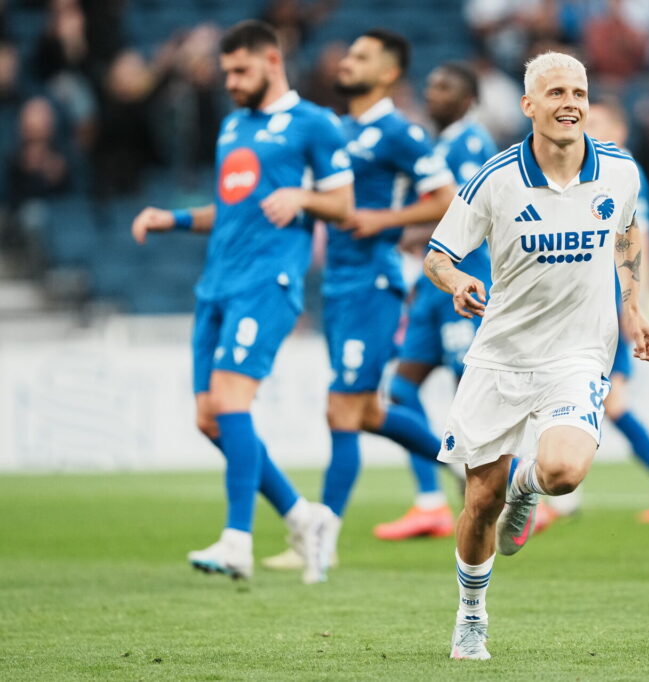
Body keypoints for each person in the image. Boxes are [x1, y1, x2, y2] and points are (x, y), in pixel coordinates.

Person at [424, 52, 649, 660]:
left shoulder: (618, 170)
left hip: (577, 354)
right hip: (500, 356)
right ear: (529, 105)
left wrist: (634, 306)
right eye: (556, 92)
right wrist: (456, 281)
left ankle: (530, 488)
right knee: (478, 505)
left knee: (565, 471)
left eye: (579, 92)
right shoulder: (495, 179)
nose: (570, 102)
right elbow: (438, 253)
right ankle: (471, 614)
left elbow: (626, 232)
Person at [130, 20, 353, 583]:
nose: (229, 80)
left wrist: (303, 195)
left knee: (232, 400)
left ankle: (237, 541)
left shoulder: (315, 125)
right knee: (210, 419)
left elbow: (344, 204)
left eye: (240, 70)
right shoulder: (232, 127)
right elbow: (228, 211)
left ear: (272, 63)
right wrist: (173, 219)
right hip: (216, 286)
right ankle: (305, 518)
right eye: (226, 71)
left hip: (268, 283)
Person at [260, 30, 457, 576]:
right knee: (369, 410)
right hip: (338, 285)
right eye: (348, 54)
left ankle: (320, 536)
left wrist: (384, 222)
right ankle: (465, 463)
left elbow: (447, 201)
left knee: (341, 409)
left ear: (389, 72)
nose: (347, 62)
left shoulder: (401, 132)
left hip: (374, 282)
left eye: (362, 57)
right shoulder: (338, 129)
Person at [545, 96, 649, 524]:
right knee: (604, 399)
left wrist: (632, 303)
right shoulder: (589, 171)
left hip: (603, 299)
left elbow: (635, 234)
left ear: (621, 130)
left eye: (602, 121)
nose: (590, 128)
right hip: (587, 297)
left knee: (600, 397)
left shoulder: (622, 169)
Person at [374, 62, 498, 541]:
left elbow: (466, 215)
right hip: (430, 288)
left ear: (469, 98)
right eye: (430, 84)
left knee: (470, 394)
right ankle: (430, 502)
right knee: (401, 391)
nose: (433, 92)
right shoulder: (440, 146)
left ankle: (515, 487)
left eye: (445, 86)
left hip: (464, 283)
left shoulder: (471, 144)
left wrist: (398, 229)